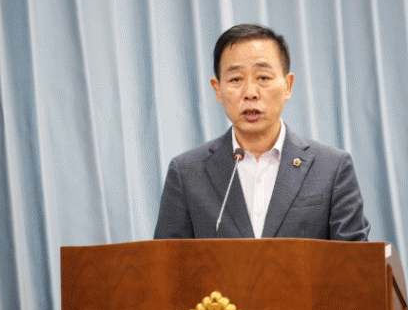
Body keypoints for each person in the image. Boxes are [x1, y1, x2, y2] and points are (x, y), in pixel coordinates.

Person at [154, 24, 370, 240]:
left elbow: (354, 257)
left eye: (263, 78)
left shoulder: (331, 168)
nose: (250, 93)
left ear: (288, 86)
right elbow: (166, 259)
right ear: (217, 89)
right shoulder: (187, 173)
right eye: (236, 79)